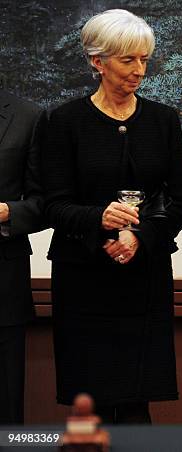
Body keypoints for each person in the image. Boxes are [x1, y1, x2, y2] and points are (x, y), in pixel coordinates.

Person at [43, 9, 182, 424]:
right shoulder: (65, 121)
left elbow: (178, 202)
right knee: (91, 401)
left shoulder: (163, 120)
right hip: (83, 278)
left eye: (144, 60)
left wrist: (138, 238)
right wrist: (100, 219)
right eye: (128, 60)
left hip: (142, 277)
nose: (139, 70)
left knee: (137, 403)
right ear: (97, 61)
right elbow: (53, 205)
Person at [0, 89, 45, 424]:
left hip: (4, 282)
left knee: (6, 408)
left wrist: (7, 213)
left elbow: (45, 203)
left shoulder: (27, 115)